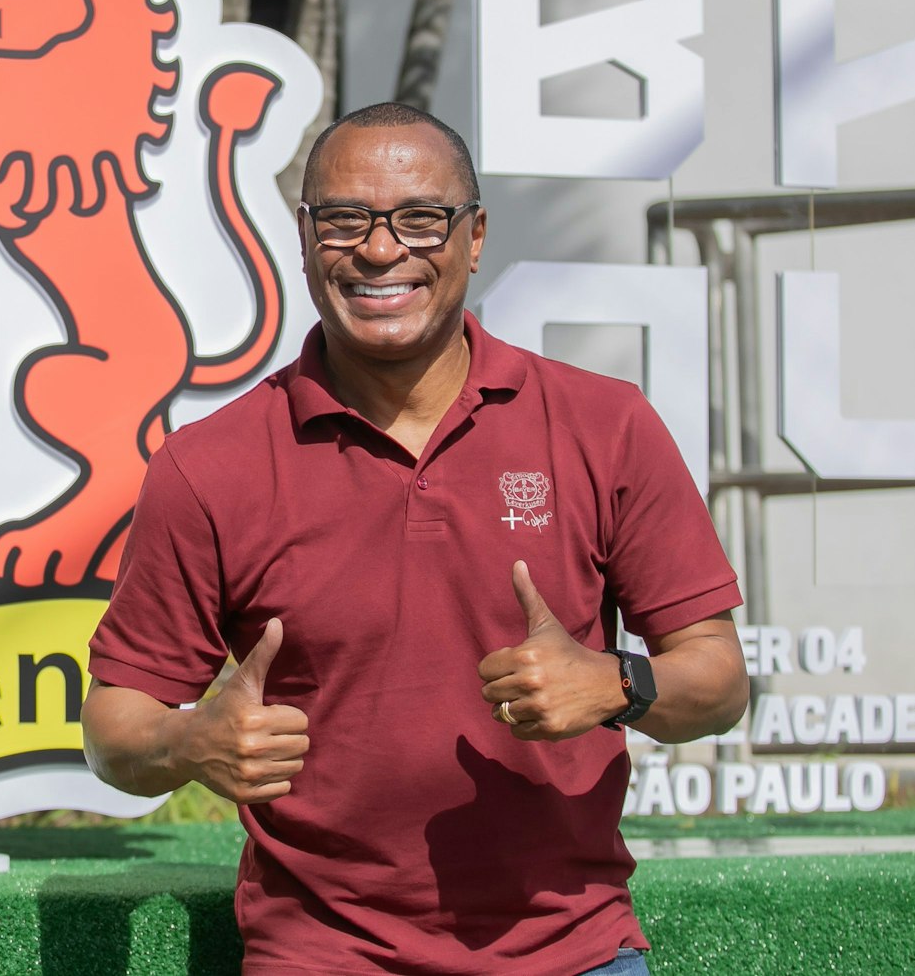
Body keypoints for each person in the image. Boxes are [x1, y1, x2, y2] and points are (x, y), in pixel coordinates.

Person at [82, 103, 750, 976]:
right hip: (322, 957)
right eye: (346, 219)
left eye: (420, 218)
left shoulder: (604, 424)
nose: (380, 249)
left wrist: (615, 681)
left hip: (572, 954)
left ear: (474, 238)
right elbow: (113, 723)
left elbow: (720, 678)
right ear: (306, 235)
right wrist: (188, 743)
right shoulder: (213, 464)